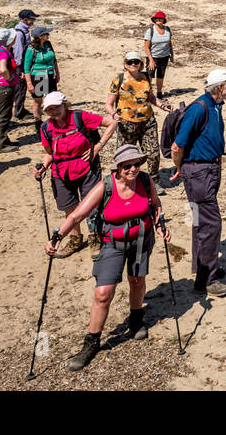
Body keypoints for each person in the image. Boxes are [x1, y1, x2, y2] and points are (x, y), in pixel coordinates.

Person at [45, 143, 170, 371]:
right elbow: (77, 215)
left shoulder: (145, 180)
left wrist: (160, 223)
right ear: (118, 167)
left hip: (141, 239)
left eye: (136, 164)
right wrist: (57, 237)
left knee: (137, 280)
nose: (133, 169)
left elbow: (156, 204)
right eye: (127, 166)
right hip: (112, 243)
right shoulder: (106, 186)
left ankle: (135, 320)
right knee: (103, 293)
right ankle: (91, 342)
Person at [171, 68, 226, 297]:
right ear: (220, 87)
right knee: (211, 224)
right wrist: (180, 168)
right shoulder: (200, 108)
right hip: (200, 172)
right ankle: (207, 280)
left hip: (206, 169)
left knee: (200, 220)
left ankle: (202, 270)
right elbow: (177, 146)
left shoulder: (214, 105)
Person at [35, 91, 115, 258]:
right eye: (49, 109)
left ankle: (95, 238)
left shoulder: (79, 117)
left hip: (87, 167)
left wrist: (98, 146)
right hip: (61, 172)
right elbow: (49, 153)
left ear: (64, 105)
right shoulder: (46, 128)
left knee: (91, 206)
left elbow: (112, 123)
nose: (54, 111)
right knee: (69, 207)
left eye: (56, 107)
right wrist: (43, 167)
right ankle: (75, 238)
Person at [105, 51, 163, 178]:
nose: (133, 64)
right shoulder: (118, 80)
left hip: (147, 122)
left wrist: (163, 106)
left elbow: (151, 98)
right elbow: (108, 105)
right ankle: (124, 180)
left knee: (153, 153)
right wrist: (114, 114)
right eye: (130, 62)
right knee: (125, 156)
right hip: (126, 125)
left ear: (140, 64)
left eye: (136, 62)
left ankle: (154, 180)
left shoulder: (146, 77)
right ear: (125, 64)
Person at [23, 26, 59, 134]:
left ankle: (54, 121)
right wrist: (29, 83)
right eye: (46, 33)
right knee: (38, 100)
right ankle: (38, 123)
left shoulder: (48, 44)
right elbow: (26, 67)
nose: (48, 35)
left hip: (50, 75)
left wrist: (57, 73)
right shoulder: (31, 49)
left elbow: (54, 60)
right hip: (38, 77)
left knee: (52, 99)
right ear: (40, 36)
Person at [0, 27, 20, 153]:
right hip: (4, 87)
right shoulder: (3, 53)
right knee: (2, 114)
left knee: (4, 113)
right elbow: (2, 68)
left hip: (1, 86)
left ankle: (3, 139)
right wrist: (9, 76)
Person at [11, 10, 38, 121]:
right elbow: (18, 53)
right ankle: (19, 112)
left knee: (21, 89)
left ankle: (20, 109)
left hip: (20, 65)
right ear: (25, 19)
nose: (33, 20)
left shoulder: (22, 31)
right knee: (20, 89)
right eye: (32, 18)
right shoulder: (19, 33)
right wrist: (21, 69)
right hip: (19, 66)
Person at [143, 12, 174, 99]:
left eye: (160, 18)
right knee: (149, 76)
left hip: (164, 57)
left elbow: (169, 43)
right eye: (157, 18)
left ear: (164, 20)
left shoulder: (167, 29)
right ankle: (147, 93)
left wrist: (172, 54)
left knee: (160, 76)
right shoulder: (150, 31)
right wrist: (151, 60)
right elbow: (147, 47)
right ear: (154, 20)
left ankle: (159, 93)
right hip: (153, 57)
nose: (158, 20)